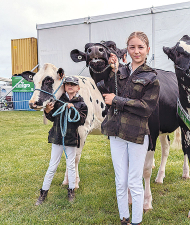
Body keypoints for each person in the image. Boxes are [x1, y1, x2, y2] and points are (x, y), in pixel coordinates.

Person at [101, 31, 160, 225]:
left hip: (136, 135)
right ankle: (124, 218)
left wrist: (117, 100)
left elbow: (146, 107)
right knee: (120, 181)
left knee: (134, 181)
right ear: (127, 49)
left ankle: (136, 221)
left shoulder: (151, 77)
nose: (136, 51)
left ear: (147, 50)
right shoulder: (120, 71)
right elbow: (106, 89)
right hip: (116, 132)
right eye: (132, 47)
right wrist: (111, 69)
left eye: (140, 47)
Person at [35, 76, 88, 205]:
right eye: (67, 84)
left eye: (73, 84)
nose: (70, 86)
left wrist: (73, 109)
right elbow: (53, 117)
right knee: (52, 166)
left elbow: (81, 120)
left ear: (78, 88)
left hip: (71, 138)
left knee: (70, 165)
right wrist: (47, 112)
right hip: (57, 137)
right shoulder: (57, 101)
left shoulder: (81, 104)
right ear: (64, 86)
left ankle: (71, 191)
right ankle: (43, 192)